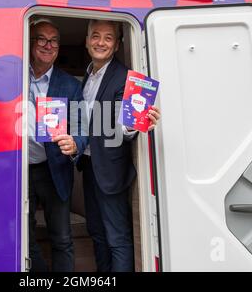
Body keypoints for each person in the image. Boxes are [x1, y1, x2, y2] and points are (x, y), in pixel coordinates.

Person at [78, 19, 161, 272]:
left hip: (111, 171)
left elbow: (123, 127)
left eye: (108, 38)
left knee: (117, 239)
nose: (100, 42)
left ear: (116, 45)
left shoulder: (125, 78)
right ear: (87, 40)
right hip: (89, 165)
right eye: (95, 36)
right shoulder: (88, 74)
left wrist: (135, 124)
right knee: (97, 232)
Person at [28, 18, 87, 272]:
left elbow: (82, 128)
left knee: (62, 239)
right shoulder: (11, 75)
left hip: (54, 170)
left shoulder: (70, 85)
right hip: (16, 169)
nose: (48, 45)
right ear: (30, 42)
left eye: (54, 41)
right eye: (42, 38)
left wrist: (75, 144)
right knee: (23, 237)